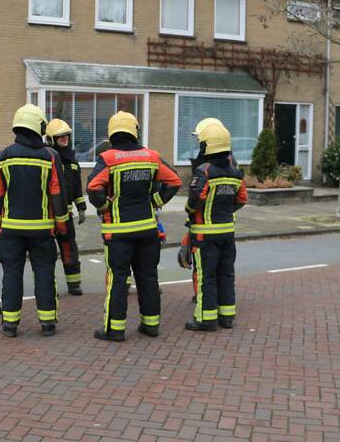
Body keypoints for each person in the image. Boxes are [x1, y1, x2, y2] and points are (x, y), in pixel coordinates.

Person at [86, 112, 182, 342]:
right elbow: (174, 181)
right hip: (148, 230)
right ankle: (151, 325)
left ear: (112, 133)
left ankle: (114, 330)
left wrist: (105, 206)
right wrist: (155, 201)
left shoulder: (108, 158)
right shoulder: (151, 156)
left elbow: (92, 187)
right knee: (148, 276)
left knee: (118, 279)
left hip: (119, 233)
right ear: (135, 130)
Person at [0, 104, 69, 338]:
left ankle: (10, 325)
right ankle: (47, 324)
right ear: (39, 127)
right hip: (42, 230)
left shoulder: (4, 155)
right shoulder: (49, 157)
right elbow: (57, 193)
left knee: (11, 274)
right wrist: (61, 225)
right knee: (44, 273)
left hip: (11, 230)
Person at [185, 122, 248, 331]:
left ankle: (206, 319)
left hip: (205, 235)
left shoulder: (204, 171)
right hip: (227, 232)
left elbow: (194, 202)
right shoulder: (236, 173)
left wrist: (192, 211)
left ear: (206, 146)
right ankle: (227, 316)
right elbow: (242, 199)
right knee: (226, 273)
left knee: (206, 276)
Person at [46, 118, 87, 296]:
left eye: (66, 136)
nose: (65, 139)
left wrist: (82, 207)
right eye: (60, 136)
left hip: (67, 215)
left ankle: (74, 284)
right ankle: (49, 286)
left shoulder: (72, 162)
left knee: (69, 248)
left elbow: (77, 188)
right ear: (51, 139)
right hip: (47, 215)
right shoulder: (47, 160)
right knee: (47, 253)